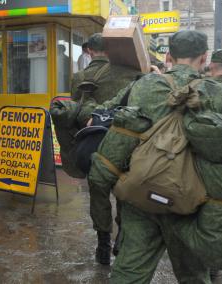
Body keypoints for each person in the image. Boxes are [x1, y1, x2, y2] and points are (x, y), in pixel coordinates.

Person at [107, 30, 222, 283]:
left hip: (141, 194)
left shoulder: (143, 86)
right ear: (204, 57)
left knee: (130, 272)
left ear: (168, 56)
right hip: (192, 201)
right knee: (194, 275)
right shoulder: (217, 93)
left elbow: (122, 137)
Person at [70, 33, 142, 265]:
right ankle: (121, 238)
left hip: (96, 145)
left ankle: (103, 244)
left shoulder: (81, 77)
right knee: (125, 191)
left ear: (89, 50)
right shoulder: (132, 74)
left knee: (98, 193)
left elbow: (75, 113)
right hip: (127, 144)